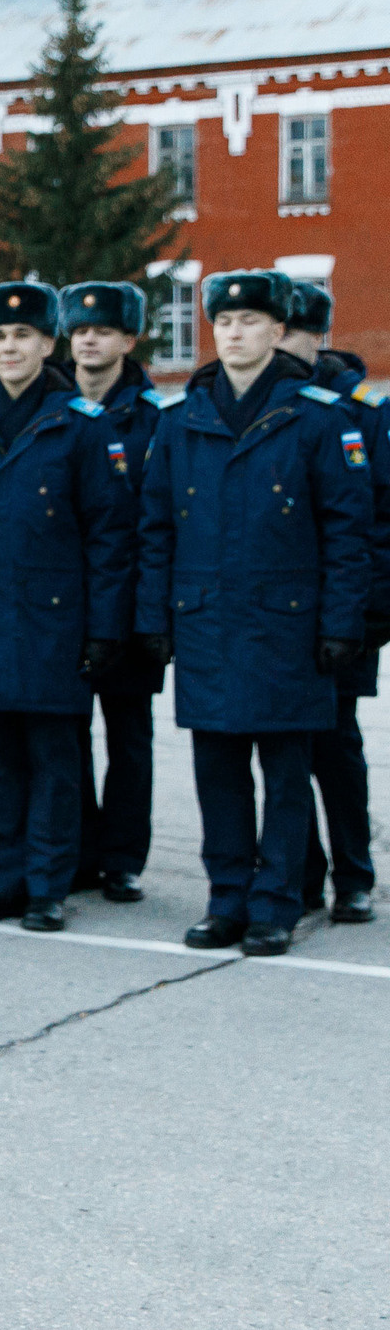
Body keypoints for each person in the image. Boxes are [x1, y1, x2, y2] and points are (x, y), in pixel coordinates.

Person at [134, 268, 372, 957]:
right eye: (225, 322)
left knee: (287, 773)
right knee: (218, 773)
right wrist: (154, 617)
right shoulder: (182, 421)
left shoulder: (317, 417)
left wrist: (340, 625)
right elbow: (156, 527)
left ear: (278, 331)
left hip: (287, 625)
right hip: (208, 621)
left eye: (251, 322)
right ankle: (227, 900)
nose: (235, 333)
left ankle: (276, 903)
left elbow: (346, 533)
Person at [0, 281, 134, 933]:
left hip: (54, 621)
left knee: (53, 760)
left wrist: (104, 630)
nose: (10, 347)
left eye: (24, 336)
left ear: (49, 343)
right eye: (0, 336)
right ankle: (3, 880)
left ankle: (48, 885)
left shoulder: (81, 425)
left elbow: (109, 535)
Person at [279, 282, 386, 923]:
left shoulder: (362, 411)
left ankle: (353, 874)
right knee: (285, 748)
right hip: (278, 613)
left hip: (343, 611)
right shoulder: (268, 405)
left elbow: (380, 521)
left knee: (335, 746)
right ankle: (302, 869)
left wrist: (371, 614)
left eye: (290, 332)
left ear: (315, 337)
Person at [61, 281, 167, 902]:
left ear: (129, 340)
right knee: (65, 734)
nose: (91, 341)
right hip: (65, 605)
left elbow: (159, 526)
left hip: (129, 606)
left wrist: (151, 616)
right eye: (80, 332)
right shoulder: (56, 411)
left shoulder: (156, 419)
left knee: (130, 739)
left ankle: (123, 857)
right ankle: (77, 852)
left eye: (103, 331)